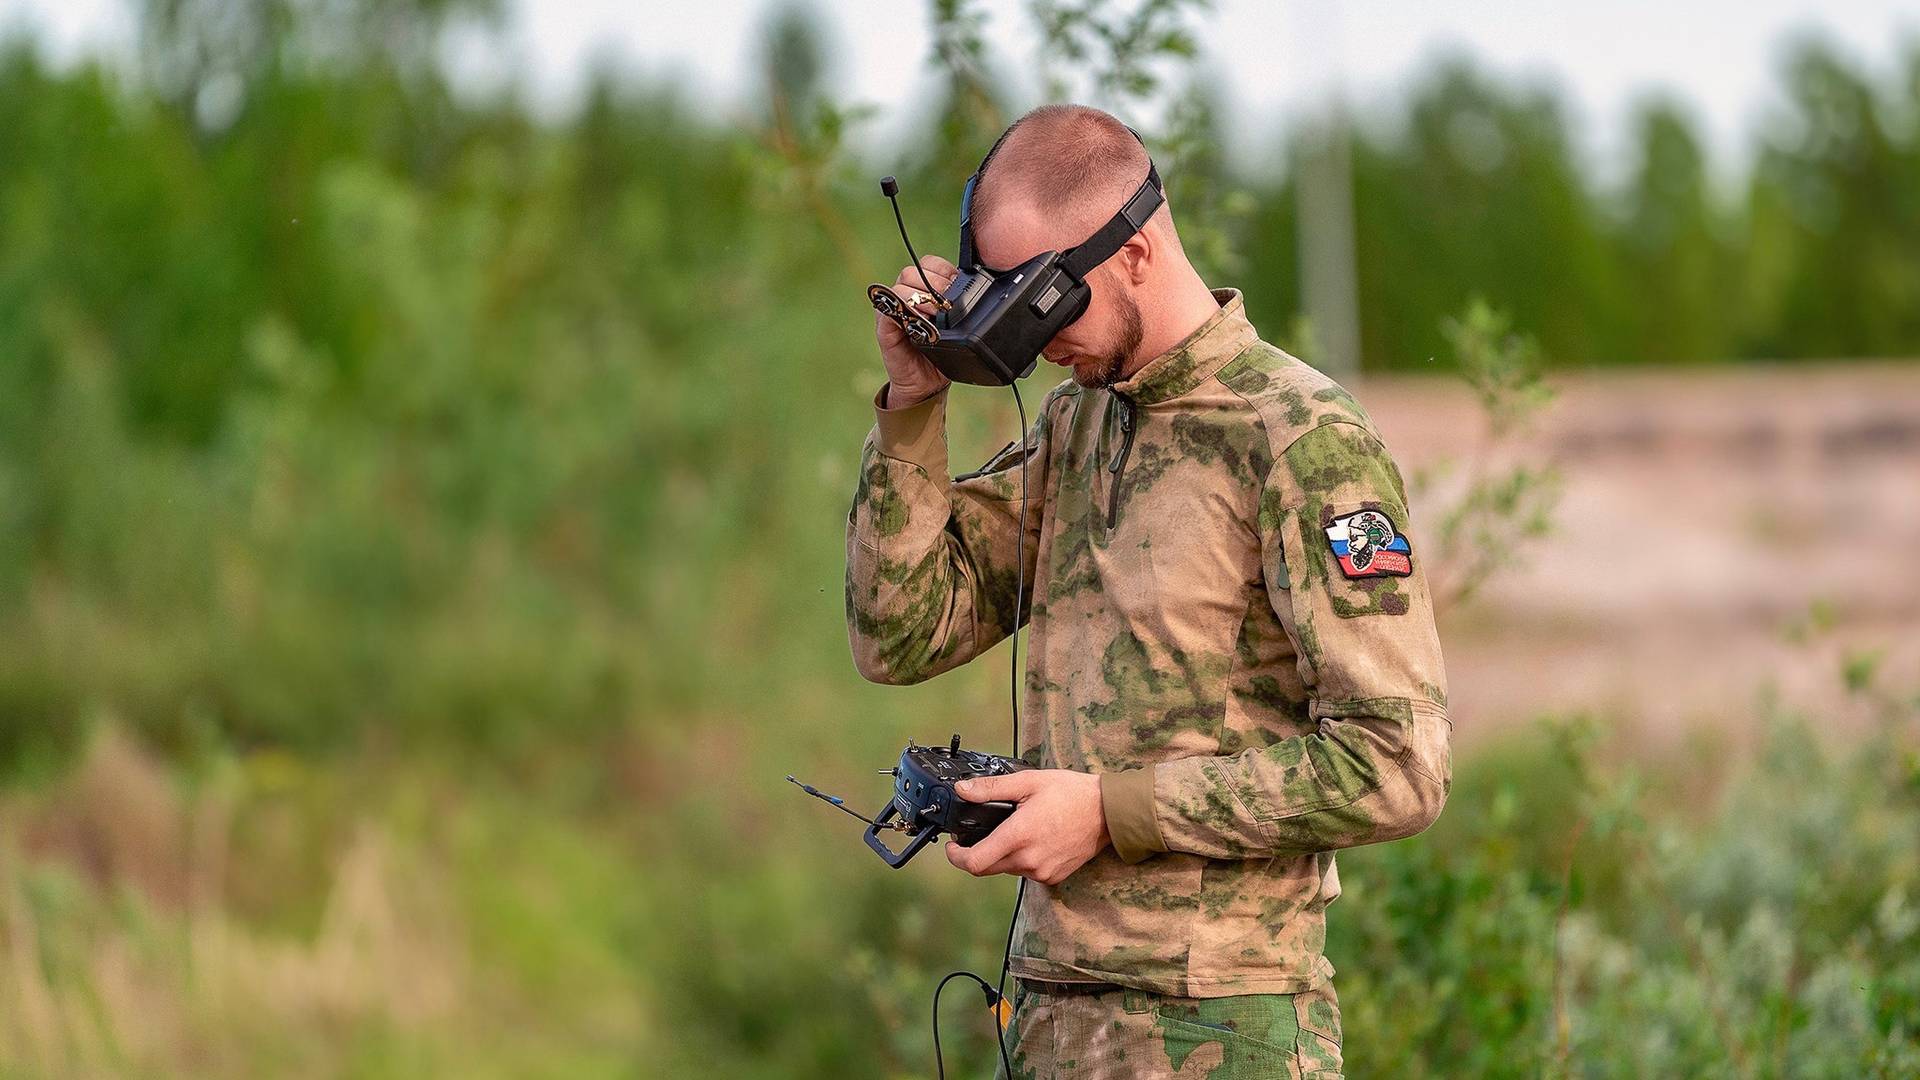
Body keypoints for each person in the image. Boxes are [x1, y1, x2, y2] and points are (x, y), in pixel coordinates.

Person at [844, 103, 1450, 1079]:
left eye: (1046, 306)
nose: (1036, 348)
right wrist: (916, 404)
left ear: (1134, 251)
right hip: (1049, 1020)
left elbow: (1398, 761)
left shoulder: (1300, 439)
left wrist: (1111, 810)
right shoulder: (1076, 431)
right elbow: (901, 635)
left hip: (1222, 1027)